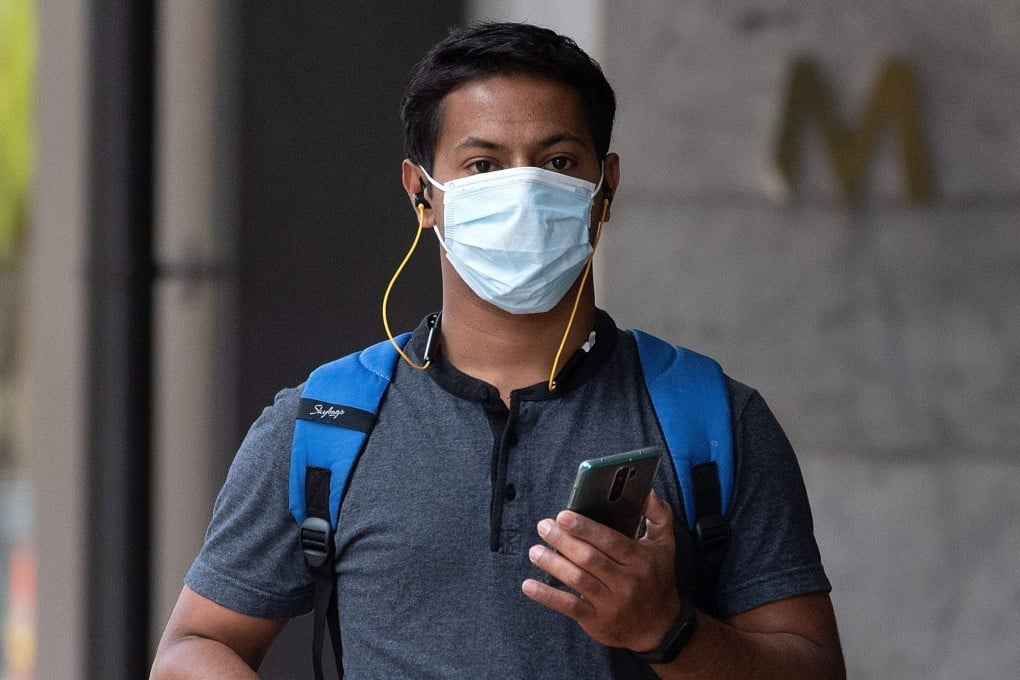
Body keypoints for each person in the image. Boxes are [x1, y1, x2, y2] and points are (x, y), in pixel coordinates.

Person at [151, 22, 845, 680]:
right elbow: (195, 644)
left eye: (558, 161)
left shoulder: (713, 419)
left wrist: (669, 631)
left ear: (606, 186)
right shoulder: (324, 423)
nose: (522, 189)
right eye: (483, 164)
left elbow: (814, 669)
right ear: (421, 192)